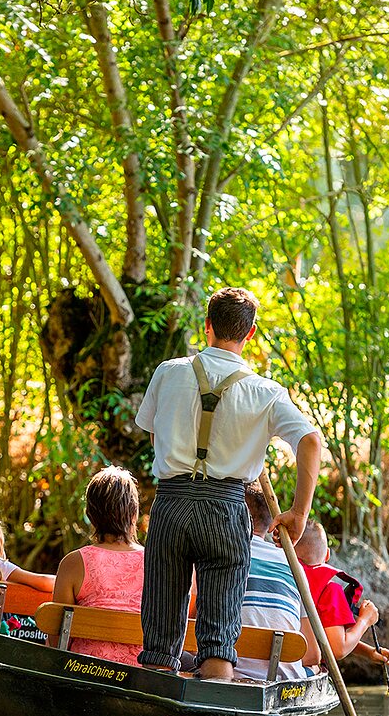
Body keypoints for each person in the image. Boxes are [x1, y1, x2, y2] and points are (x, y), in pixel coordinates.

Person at [135, 287, 322, 679]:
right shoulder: (267, 392)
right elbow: (310, 441)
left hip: (171, 504)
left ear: (207, 327)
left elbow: (154, 437)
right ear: (250, 334)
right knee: (218, 639)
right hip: (225, 508)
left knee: (160, 638)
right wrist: (299, 514)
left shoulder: (168, 372)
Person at [52, 466, 146, 665]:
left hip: (83, 670)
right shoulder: (155, 562)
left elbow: (56, 639)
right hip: (141, 672)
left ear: (91, 514)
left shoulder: (73, 563)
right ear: (134, 513)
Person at [237, 481, 322, 680]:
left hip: (229, 672)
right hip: (283, 679)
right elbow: (312, 654)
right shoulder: (292, 564)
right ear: (270, 524)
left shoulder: (219, 554)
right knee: (316, 668)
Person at [294, 520, 389, 666]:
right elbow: (338, 649)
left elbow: (329, 636)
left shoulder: (285, 578)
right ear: (327, 555)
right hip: (302, 666)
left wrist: (369, 651)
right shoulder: (330, 591)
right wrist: (365, 620)